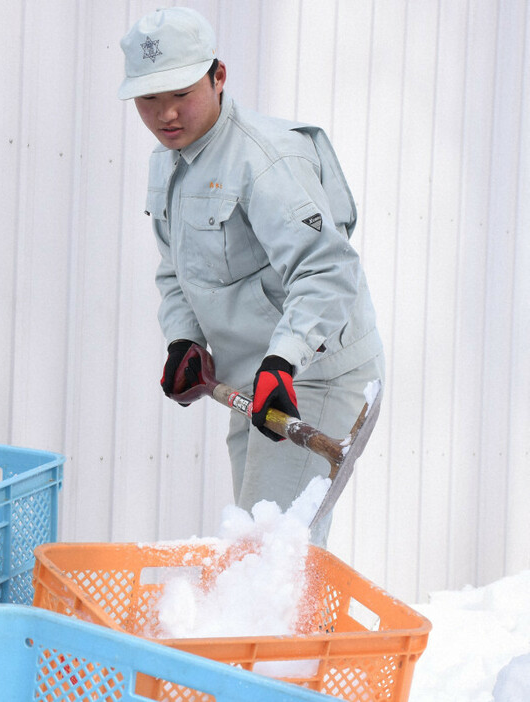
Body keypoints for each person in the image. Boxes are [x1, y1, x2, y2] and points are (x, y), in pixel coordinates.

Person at [118, 7, 384, 547]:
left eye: (180, 92)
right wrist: (184, 339)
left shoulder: (265, 159)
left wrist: (283, 359)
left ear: (218, 76)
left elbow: (327, 269)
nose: (166, 113)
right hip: (253, 378)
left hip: (311, 371)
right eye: (149, 99)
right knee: (261, 548)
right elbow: (175, 269)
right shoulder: (168, 161)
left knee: (270, 556)